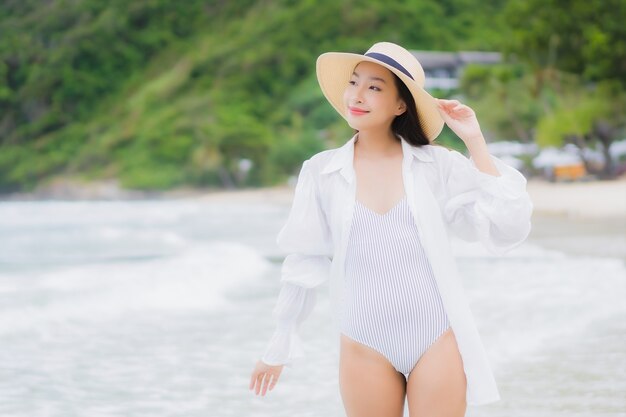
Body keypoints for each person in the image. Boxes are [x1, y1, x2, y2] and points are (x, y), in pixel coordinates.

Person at [249, 41, 533, 417]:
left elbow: (506, 227)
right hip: (362, 341)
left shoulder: (436, 165)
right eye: (354, 83)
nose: (357, 95)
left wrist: (474, 140)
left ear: (401, 105)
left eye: (375, 87)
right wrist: (280, 344)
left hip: (436, 336)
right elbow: (305, 259)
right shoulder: (321, 172)